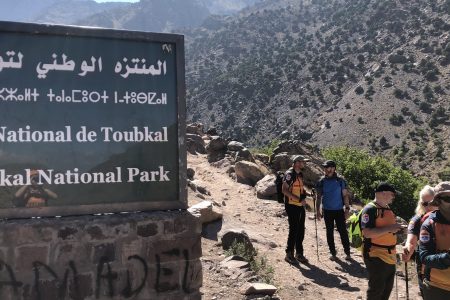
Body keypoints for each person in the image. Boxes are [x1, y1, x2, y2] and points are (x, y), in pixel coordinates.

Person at [361, 182, 405, 300]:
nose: (393, 197)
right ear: (383, 193)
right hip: (375, 254)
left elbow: (385, 230)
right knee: (377, 290)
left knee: (386, 290)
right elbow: (367, 233)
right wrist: (390, 228)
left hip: (390, 255)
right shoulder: (370, 209)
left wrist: (396, 230)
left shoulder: (386, 208)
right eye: (392, 194)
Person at [402, 185, 438, 296]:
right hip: (425, 267)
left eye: (430, 203)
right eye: (424, 203)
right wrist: (408, 249)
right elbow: (411, 241)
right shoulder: (417, 219)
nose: (427, 207)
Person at [419, 181, 450, 299]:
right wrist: (447, 257)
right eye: (448, 198)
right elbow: (425, 257)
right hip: (437, 287)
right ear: (438, 201)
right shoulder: (429, 224)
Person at [315, 160, 351, 261]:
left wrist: (347, 209)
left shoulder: (340, 181)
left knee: (343, 232)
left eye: (328, 167)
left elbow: (345, 195)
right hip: (327, 211)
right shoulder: (322, 181)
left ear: (333, 168)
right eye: (325, 167)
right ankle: (333, 253)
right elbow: (318, 197)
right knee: (329, 232)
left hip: (339, 210)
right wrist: (317, 211)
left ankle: (347, 253)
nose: (326, 169)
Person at [282, 155, 310, 264]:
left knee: (301, 230)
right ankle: (289, 254)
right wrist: (299, 200)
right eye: (303, 162)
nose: (304, 164)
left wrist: (308, 193)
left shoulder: (299, 175)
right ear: (297, 163)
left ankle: (299, 254)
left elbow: (300, 189)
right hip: (292, 206)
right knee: (293, 230)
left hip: (299, 206)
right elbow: (284, 190)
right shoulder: (290, 174)